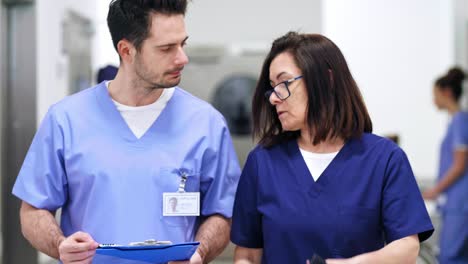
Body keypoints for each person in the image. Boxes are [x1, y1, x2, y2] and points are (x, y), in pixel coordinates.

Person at [12, 0, 241, 263]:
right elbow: (32, 211)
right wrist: (61, 244)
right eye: (167, 48)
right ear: (126, 50)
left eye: (183, 44)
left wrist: (200, 253)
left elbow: (223, 214)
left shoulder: (206, 124)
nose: (182, 58)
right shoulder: (66, 120)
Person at [230, 32, 434, 264]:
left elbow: (406, 248)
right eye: (272, 87)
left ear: (327, 80)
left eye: (284, 83)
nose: (273, 98)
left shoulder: (384, 159)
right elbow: (247, 253)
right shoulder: (262, 161)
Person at [422, 67, 468, 263]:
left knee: (449, 256)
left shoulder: (460, 122)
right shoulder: (456, 122)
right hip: (454, 201)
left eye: (435, 95)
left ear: (446, 92)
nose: (434, 100)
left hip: (460, 201)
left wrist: (435, 190)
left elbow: (459, 165)